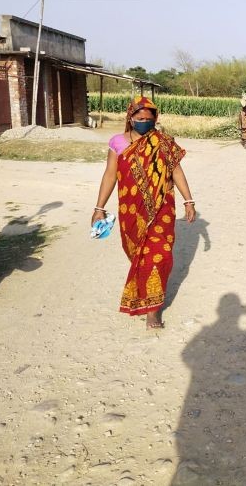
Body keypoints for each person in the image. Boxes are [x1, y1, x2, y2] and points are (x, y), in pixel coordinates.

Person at [92, 96, 196, 330]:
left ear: (155, 119)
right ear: (130, 118)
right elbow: (110, 175)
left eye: (148, 118)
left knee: (158, 257)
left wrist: (188, 201)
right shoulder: (118, 142)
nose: (144, 122)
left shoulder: (163, 142)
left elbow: (176, 172)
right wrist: (99, 208)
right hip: (131, 212)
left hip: (161, 209)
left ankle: (153, 311)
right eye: (139, 118)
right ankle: (145, 295)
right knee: (139, 256)